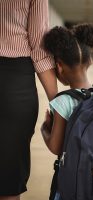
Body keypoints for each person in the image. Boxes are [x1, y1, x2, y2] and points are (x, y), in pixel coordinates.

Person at [40, 23, 93, 200]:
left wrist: (45, 129)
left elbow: (56, 147)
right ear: (90, 62)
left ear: (59, 67)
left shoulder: (62, 101)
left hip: (72, 185)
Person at [0, 0, 58, 199]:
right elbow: (39, 48)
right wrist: (59, 105)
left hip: (14, 83)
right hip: (14, 83)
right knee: (8, 178)